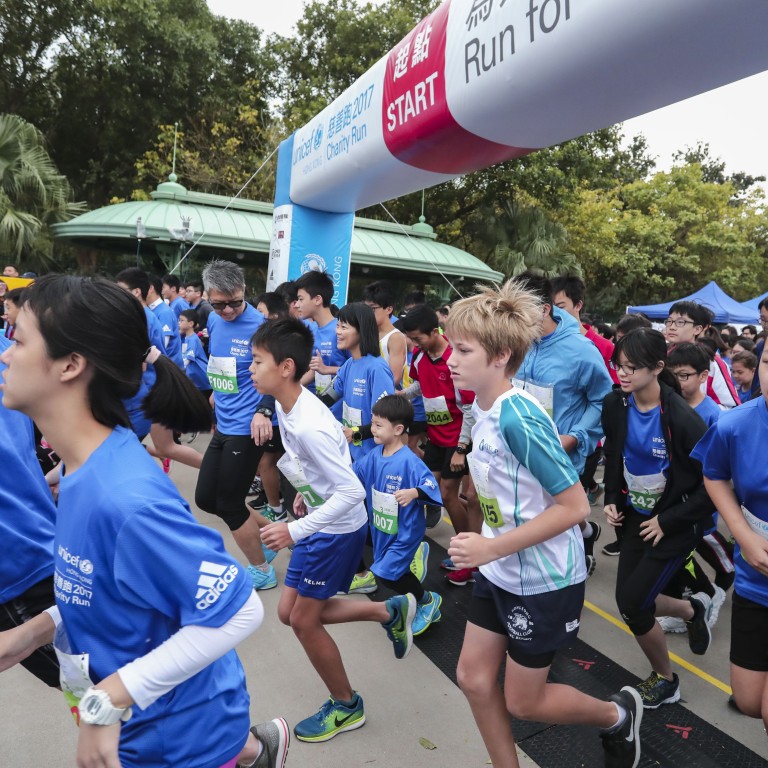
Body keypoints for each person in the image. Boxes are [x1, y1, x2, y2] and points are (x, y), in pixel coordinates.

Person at [0, 274, 288, 768]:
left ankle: (257, 754)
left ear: (71, 364)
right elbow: (106, 591)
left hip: (180, 740)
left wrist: (109, 698)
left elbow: (240, 610)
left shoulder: (123, 497)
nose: (4, 352)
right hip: (141, 733)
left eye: (18, 338)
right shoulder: (76, 469)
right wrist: (35, 631)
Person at [442, 281, 642, 768]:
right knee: (472, 677)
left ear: (499, 355)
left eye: (463, 349)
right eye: (451, 345)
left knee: (523, 701)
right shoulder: (481, 407)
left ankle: (618, 715)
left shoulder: (519, 418)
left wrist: (491, 547)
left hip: (543, 579)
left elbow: (574, 507)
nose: (450, 358)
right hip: (501, 565)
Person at [251, 318, 417, 744]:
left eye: (257, 361)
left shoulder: (308, 421)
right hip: (321, 517)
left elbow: (350, 491)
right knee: (290, 614)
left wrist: (294, 529)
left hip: (337, 528)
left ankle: (347, 705)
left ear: (286, 367)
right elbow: (327, 471)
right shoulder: (291, 407)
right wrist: (307, 492)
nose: (249, 369)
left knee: (304, 621)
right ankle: (389, 611)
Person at [602, 328, 715, 709]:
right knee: (629, 600)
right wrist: (613, 499)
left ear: (658, 368)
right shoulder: (615, 405)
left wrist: (668, 521)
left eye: (632, 367)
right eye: (619, 366)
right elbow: (616, 454)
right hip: (637, 517)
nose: (623, 374)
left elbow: (712, 488)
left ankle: (666, 680)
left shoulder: (683, 418)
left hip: (674, 524)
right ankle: (691, 608)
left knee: (635, 606)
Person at [513, 274, 613, 577]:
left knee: (554, 532)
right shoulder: (516, 342)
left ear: (544, 309)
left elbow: (603, 400)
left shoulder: (580, 350)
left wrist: (575, 436)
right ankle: (583, 532)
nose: (512, 320)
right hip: (518, 453)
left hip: (560, 456)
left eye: (519, 312)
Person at [691, 340, 768, 730]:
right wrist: (742, 533)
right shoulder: (735, 423)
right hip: (756, 584)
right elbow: (714, 472)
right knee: (751, 701)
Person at [194, 260, 278, 591]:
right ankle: (268, 538)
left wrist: (264, 411)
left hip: (248, 425)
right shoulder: (213, 319)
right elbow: (222, 363)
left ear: (244, 291)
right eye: (219, 303)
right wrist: (216, 392)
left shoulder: (261, 326)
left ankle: (261, 569)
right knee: (205, 498)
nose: (227, 310)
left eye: (234, 302)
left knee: (229, 503)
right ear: (207, 297)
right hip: (225, 421)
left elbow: (276, 375)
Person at [397, 304, 480, 586]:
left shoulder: (454, 360)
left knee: (448, 494)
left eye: (418, 338)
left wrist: (461, 449)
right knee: (428, 489)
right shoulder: (420, 356)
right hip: (436, 435)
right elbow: (420, 385)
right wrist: (403, 395)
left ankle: (469, 558)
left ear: (435, 331)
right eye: (411, 339)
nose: (413, 343)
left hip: (458, 438)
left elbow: (470, 409)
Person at [352, 395, 443, 635]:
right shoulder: (373, 456)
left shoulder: (409, 461)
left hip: (405, 530)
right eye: (372, 424)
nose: (372, 429)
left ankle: (427, 601)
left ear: (398, 429)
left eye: (378, 425)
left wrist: (414, 492)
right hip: (381, 527)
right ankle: (415, 557)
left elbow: (430, 484)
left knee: (386, 575)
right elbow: (352, 476)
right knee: (382, 561)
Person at [0, 333, 60, 689]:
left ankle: (245, 747)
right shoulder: (10, 349)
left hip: (19, 561)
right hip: (36, 538)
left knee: (103, 692)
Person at [664, 301, 739, 409]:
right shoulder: (662, 357)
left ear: (698, 329)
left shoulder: (712, 362)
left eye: (680, 322)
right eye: (669, 321)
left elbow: (730, 407)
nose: (671, 327)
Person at [294, 271, 349, 396]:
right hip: (320, 404)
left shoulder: (341, 330)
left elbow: (358, 369)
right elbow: (315, 369)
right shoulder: (312, 331)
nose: (297, 304)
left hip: (340, 410)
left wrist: (327, 369)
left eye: (301, 299)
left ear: (318, 299)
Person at [362, 280, 407, 387]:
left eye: (372, 308)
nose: (368, 313)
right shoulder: (366, 333)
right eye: (366, 308)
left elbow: (394, 378)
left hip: (385, 397)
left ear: (388, 309)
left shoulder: (395, 337)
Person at [179, 308, 211, 399]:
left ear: (191, 324)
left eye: (182, 320)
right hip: (196, 379)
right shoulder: (187, 338)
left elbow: (188, 359)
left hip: (202, 380)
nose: (179, 323)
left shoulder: (192, 339)